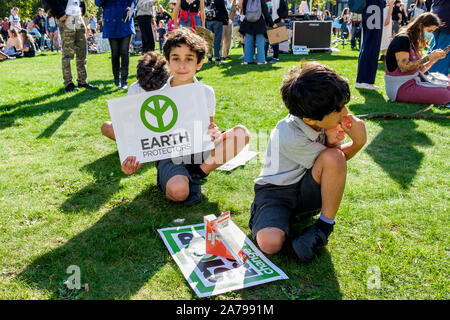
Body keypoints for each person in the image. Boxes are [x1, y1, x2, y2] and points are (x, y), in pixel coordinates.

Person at [249, 62, 367, 262]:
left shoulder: (322, 121)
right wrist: (358, 143)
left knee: (334, 156)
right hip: (275, 193)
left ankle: (323, 227)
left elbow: (333, 162)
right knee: (270, 244)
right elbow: (335, 158)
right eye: (338, 109)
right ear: (311, 119)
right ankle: (269, 216)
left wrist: (331, 140)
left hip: (304, 190)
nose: (345, 112)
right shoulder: (288, 134)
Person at [122, 28, 251, 206]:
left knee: (241, 133)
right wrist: (134, 161)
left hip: (198, 149)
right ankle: (178, 178)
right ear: (167, 61)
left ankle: (197, 175)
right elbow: (148, 138)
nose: (182, 65)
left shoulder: (206, 92)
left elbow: (209, 127)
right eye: (176, 58)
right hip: (171, 154)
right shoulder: (158, 98)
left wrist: (212, 132)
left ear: (199, 63)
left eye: (189, 59)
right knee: (179, 192)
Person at [101, 51, 170, 141]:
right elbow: (129, 120)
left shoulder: (173, 84)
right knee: (106, 127)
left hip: (168, 131)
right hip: (143, 132)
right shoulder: (134, 88)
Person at [384, 12, 450, 105]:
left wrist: (434, 59)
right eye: (429, 30)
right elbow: (404, 67)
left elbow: (420, 70)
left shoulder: (414, 41)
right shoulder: (402, 39)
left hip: (412, 83)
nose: (431, 34)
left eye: (432, 32)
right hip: (400, 88)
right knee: (446, 95)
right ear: (420, 26)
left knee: (448, 88)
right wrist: (429, 57)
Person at [45, 0, 98, 92]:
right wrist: (60, 13)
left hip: (78, 16)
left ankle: (82, 81)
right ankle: (68, 83)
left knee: (83, 51)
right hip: (66, 16)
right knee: (68, 53)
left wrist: (81, 8)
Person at [95, 0, 136, 90]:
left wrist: (132, 11)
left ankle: (124, 80)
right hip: (111, 22)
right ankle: (116, 79)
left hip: (125, 22)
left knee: (125, 52)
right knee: (115, 53)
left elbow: (134, 3)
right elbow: (97, 3)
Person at [355, 0, 385, 91]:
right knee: (372, 43)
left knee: (370, 43)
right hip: (374, 6)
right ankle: (364, 80)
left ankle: (365, 80)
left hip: (374, 6)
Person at [239, 0, 275, 65]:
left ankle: (247, 60)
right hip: (259, 23)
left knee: (248, 42)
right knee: (260, 43)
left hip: (248, 22)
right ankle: (261, 61)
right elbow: (265, 12)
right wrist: (271, 23)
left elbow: (244, 11)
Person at [427, 0, 450, 76]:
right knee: (443, 52)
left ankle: (426, 73)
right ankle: (437, 78)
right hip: (446, 17)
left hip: (436, 15)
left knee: (434, 48)